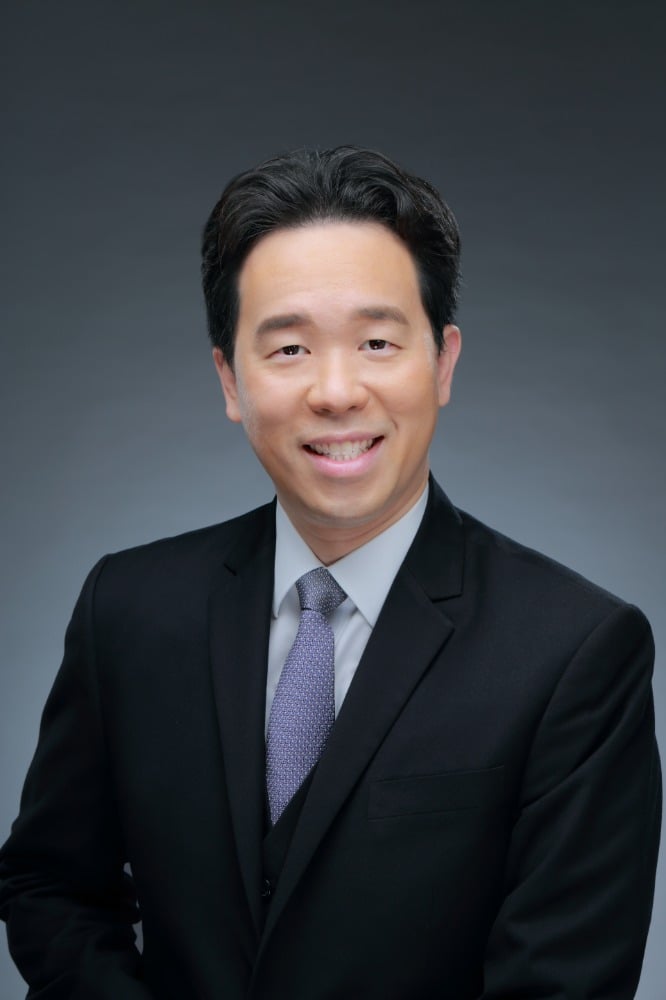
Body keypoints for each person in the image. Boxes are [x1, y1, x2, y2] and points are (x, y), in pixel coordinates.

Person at [0, 146, 660, 999]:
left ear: (443, 362)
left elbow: (564, 981)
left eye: (378, 342)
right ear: (229, 379)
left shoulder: (576, 650)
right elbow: (49, 886)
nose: (337, 391)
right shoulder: (128, 609)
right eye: (289, 349)